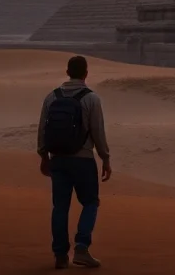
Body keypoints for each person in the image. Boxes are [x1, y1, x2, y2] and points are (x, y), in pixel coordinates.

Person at [37, 55, 112, 269]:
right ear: (86, 73)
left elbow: (42, 129)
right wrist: (105, 158)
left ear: (67, 72)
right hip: (83, 160)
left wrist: (43, 157)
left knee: (60, 207)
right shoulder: (91, 99)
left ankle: (60, 255)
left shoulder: (51, 97)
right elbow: (98, 132)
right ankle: (81, 247)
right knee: (90, 202)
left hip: (57, 159)